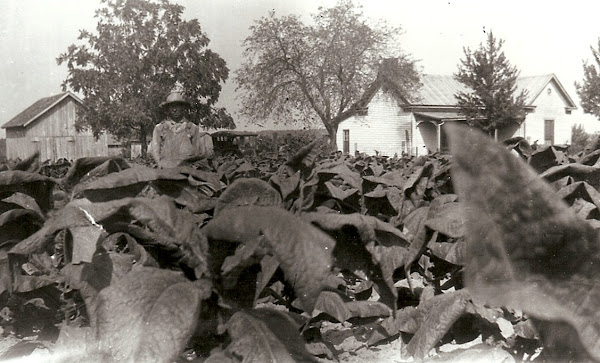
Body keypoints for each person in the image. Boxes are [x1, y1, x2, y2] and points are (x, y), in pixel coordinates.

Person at [149, 86, 214, 168]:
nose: (175, 109)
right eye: (172, 106)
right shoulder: (159, 128)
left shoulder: (192, 128)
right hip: (165, 169)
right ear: (167, 109)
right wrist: (160, 165)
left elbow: (196, 152)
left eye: (178, 106)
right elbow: (155, 150)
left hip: (186, 169)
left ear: (183, 108)